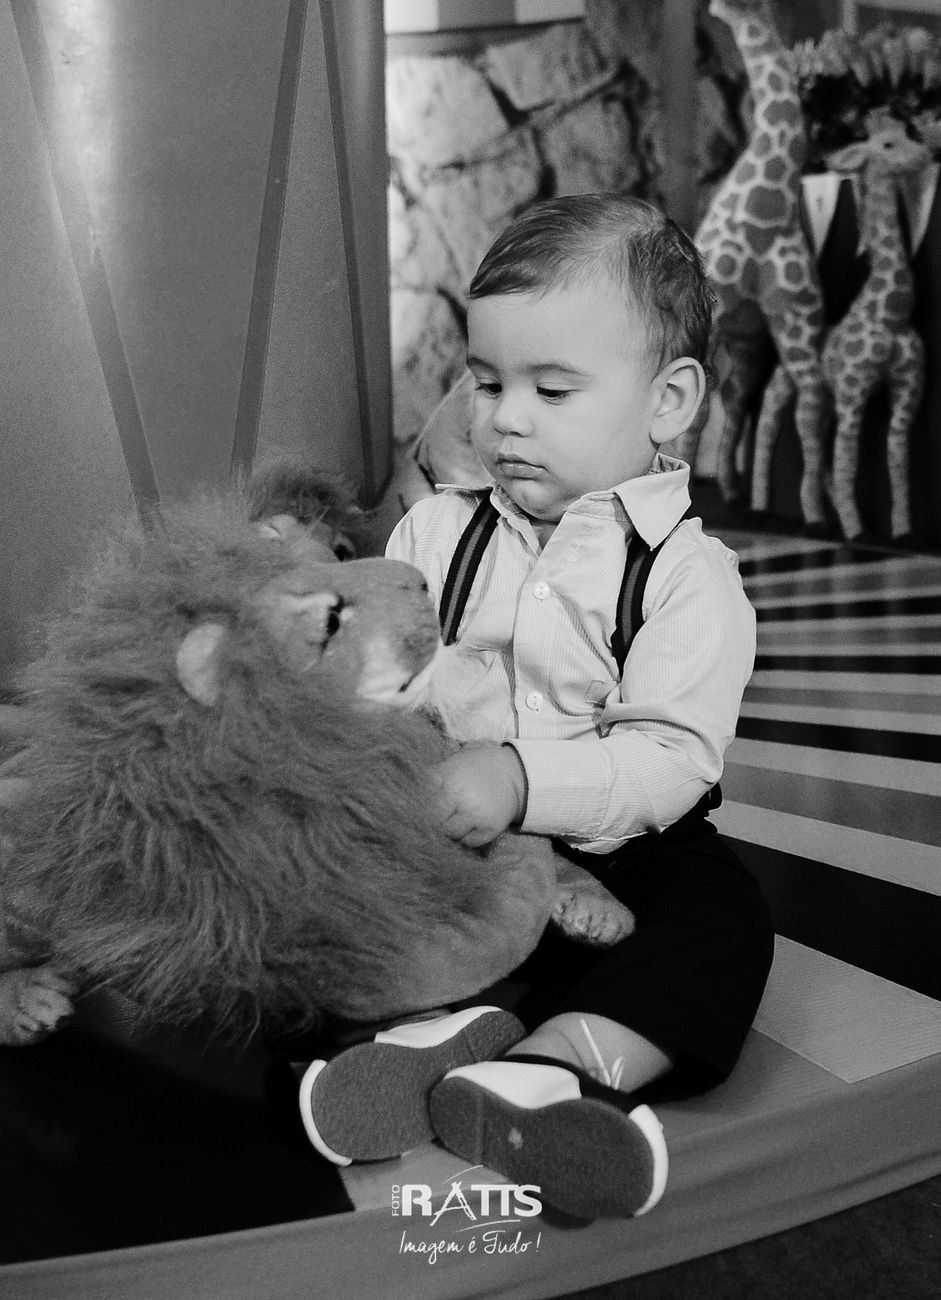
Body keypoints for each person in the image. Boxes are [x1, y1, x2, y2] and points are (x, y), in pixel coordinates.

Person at [295, 194, 775, 1221]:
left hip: (624, 850)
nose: (506, 417)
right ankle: (415, 1040)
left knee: (720, 920)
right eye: (486, 382)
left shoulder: (688, 577)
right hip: (449, 841)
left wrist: (522, 779)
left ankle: (553, 1068)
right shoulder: (436, 533)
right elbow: (376, 677)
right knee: (325, 895)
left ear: (667, 400)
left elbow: (667, 759)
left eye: (551, 390)